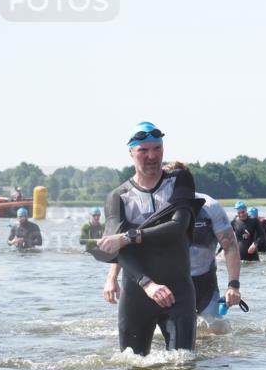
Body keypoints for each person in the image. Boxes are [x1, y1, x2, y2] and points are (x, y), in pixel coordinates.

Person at [94, 122, 200, 355]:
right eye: (143, 150)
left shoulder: (179, 180)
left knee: (181, 369)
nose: (152, 156)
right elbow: (116, 248)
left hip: (178, 293)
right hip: (137, 293)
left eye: (157, 148)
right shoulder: (118, 197)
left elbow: (177, 227)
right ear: (131, 152)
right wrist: (147, 284)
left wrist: (129, 236)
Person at [103, 166, 243, 333]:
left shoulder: (210, 206)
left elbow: (230, 246)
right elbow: (125, 244)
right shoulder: (152, 206)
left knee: (212, 330)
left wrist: (233, 286)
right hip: (163, 283)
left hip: (203, 284)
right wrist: (112, 278)